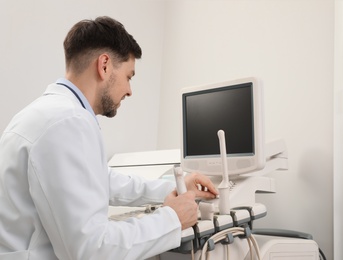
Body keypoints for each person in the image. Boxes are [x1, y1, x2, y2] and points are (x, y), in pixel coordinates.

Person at [0, 16, 218, 260]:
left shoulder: (44, 113)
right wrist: (171, 219)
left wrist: (171, 188)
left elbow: (100, 179)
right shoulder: (68, 122)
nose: (129, 90)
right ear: (104, 65)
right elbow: (92, 249)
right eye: (129, 76)